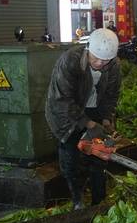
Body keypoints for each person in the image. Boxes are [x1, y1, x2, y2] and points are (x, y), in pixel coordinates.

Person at [46, 28, 122, 209]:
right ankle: (77, 200)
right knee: (70, 157)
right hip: (65, 114)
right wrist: (88, 124)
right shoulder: (70, 61)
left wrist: (105, 119)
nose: (100, 63)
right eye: (96, 58)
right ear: (88, 49)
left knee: (99, 156)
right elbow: (63, 100)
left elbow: (111, 95)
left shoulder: (113, 65)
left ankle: (98, 202)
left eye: (105, 60)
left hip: (94, 108)